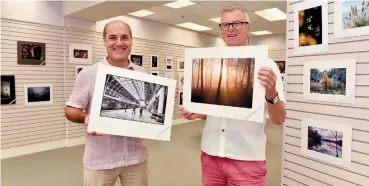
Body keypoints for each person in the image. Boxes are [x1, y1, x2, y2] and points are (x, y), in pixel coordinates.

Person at [180, 5, 286, 186]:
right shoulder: (211, 64)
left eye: (237, 23)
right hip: (210, 155)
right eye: (225, 24)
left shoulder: (266, 65)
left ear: (248, 27)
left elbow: (279, 119)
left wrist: (271, 93)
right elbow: (221, 110)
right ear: (221, 29)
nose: (231, 28)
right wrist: (200, 113)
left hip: (247, 159)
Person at [65, 20, 177, 186]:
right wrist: (87, 118)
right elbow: (70, 109)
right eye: (112, 38)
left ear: (131, 41)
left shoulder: (142, 74)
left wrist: (164, 99)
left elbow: (147, 112)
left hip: (136, 158)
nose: (119, 43)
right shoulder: (89, 74)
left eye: (124, 37)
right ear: (104, 41)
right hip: (100, 161)